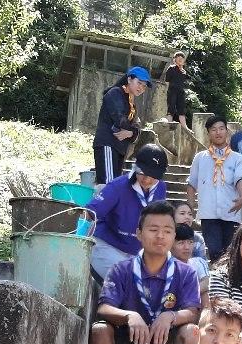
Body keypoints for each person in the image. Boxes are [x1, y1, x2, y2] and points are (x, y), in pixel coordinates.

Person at [86, 201, 202, 344]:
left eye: (168, 230)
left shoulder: (186, 272)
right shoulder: (122, 269)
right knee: (100, 329)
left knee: (191, 332)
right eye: (153, 229)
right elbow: (104, 308)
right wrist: (130, 316)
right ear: (139, 233)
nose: (160, 236)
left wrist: (170, 316)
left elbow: (193, 311)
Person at [87, 144, 169, 281]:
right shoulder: (118, 186)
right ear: (136, 167)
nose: (147, 180)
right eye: (142, 173)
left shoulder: (160, 188)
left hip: (136, 253)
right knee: (128, 282)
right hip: (107, 247)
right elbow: (90, 212)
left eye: (153, 176)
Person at [187, 115, 242, 262]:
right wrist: (190, 207)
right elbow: (191, 183)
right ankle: (216, 281)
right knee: (214, 250)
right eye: (213, 129)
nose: (218, 132)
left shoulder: (237, 158)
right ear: (208, 133)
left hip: (231, 211)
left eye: (221, 129)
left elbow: (239, 177)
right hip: (208, 213)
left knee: (230, 253)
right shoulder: (200, 158)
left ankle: (226, 282)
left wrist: (241, 196)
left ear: (227, 131)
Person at [93, 66, 152, 185]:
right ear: (129, 79)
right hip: (108, 145)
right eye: (139, 83)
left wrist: (131, 133)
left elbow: (136, 129)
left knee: (113, 186)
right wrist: (132, 132)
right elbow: (120, 120)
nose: (141, 88)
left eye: (144, 86)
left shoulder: (132, 104)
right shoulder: (115, 93)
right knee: (108, 186)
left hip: (119, 149)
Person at [173, 223, 211, 309]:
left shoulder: (198, 262)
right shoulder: (166, 265)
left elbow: (206, 283)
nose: (187, 247)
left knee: (205, 294)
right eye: (181, 243)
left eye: (190, 242)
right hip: (171, 305)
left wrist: (187, 293)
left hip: (193, 303)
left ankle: (205, 320)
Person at [164, 51, 189, 130]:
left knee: (181, 109)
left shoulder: (184, 72)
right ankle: (168, 125)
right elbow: (167, 81)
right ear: (175, 60)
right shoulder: (171, 68)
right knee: (171, 109)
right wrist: (167, 91)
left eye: (182, 59)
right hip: (172, 91)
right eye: (178, 58)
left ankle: (185, 127)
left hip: (180, 92)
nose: (180, 60)